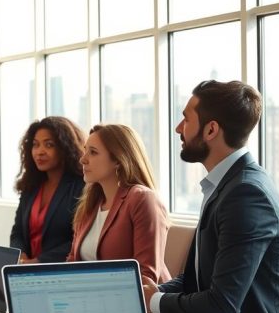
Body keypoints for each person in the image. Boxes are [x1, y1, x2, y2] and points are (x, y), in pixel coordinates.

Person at [143, 80, 279, 313]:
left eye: (186, 120)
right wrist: (154, 293)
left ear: (211, 130)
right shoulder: (225, 185)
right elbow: (198, 280)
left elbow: (220, 305)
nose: (178, 128)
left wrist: (153, 302)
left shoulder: (246, 194)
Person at [67, 124, 171, 285]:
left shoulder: (142, 199)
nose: (83, 159)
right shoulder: (90, 204)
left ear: (118, 160)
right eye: (85, 150)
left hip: (140, 304)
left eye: (93, 152)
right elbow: (72, 263)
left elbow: (145, 277)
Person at [10, 116, 86, 263]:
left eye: (49, 145)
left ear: (65, 148)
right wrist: (21, 256)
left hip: (60, 272)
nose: (40, 152)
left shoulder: (81, 187)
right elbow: (17, 232)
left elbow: (80, 239)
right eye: (35, 145)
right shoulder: (31, 185)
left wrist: (38, 262)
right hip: (26, 271)